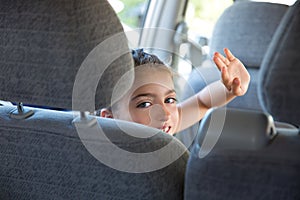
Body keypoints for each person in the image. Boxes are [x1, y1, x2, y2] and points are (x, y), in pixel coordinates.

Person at [100, 48, 250, 135]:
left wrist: (229, 89)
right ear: (109, 118)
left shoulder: (164, 126)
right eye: (145, 104)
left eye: (170, 100)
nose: (165, 114)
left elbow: (203, 102)